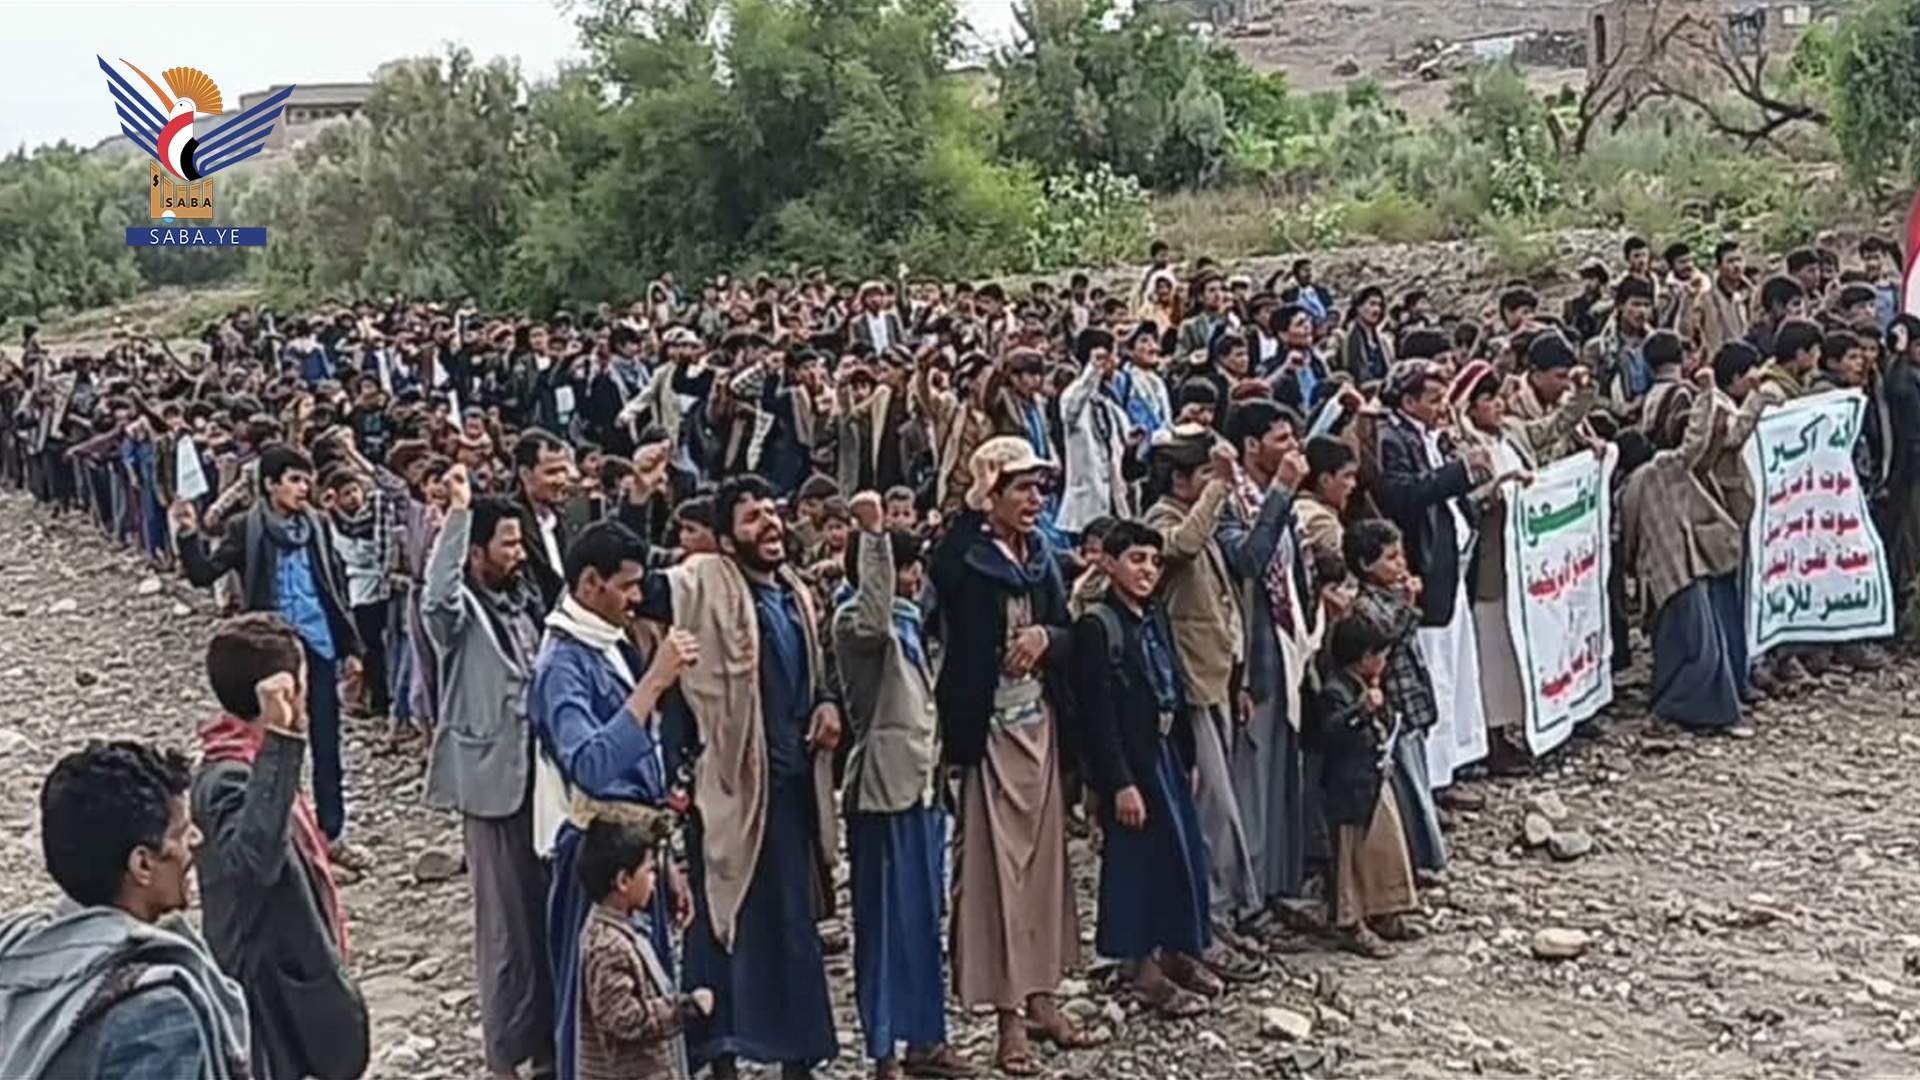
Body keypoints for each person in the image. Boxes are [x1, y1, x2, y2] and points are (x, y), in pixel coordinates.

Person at [628, 474, 842, 1080]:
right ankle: (719, 1052)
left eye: (772, 511)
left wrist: (826, 702)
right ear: (725, 540)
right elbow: (641, 588)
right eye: (752, 517)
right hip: (727, 787)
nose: (770, 523)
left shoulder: (794, 592)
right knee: (722, 919)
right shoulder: (704, 583)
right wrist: (638, 501)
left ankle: (796, 1057)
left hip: (789, 790)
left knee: (791, 922)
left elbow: (813, 673)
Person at [935, 437, 1097, 1077]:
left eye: (1039, 489)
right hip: (989, 737)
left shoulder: (1040, 559)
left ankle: (1043, 1000)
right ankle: (1007, 1020)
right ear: (992, 493)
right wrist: (967, 512)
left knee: (1047, 868)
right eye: (1021, 488)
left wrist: (1045, 638)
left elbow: (1068, 633)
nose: (1034, 501)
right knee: (996, 875)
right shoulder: (968, 559)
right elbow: (946, 585)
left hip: (1040, 730)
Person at [529, 512, 699, 1080]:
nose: (636, 598)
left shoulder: (605, 644)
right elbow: (593, 765)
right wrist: (656, 681)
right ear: (589, 583)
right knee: (601, 1019)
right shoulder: (562, 665)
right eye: (626, 586)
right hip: (597, 863)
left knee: (647, 998)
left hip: (631, 851)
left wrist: (660, 862)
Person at [832, 492, 977, 1080]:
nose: (912, 578)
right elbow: (873, 615)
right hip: (883, 791)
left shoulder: (913, 625)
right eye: (902, 566)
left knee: (922, 922)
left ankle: (925, 1039)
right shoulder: (856, 623)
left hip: (921, 791)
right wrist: (872, 536)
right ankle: (883, 1049)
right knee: (884, 925)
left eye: (914, 566)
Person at [0, 741, 250, 1080]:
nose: (197, 839)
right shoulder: (158, 1015)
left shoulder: (19, 953)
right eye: (181, 833)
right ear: (142, 864)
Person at [192, 614, 370, 1080]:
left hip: (285, 977)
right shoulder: (228, 777)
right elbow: (257, 861)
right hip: (262, 990)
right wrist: (282, 740)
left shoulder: (248, 761)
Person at [421, 465, 556, 1080]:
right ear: (475, 553)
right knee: (507, 934)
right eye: (506, 544)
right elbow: (437, 599)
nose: (518, 553)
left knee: (547, 919)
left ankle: (550, 1045)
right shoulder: (460, 618)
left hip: (543, 782)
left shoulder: (528, 600)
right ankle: (505, 1057)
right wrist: (457, 514)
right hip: (493, 786)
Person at [175, 443, 365, 844]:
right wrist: (188, 533)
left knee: (327, 742)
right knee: (273, 742)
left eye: (306, 480)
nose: (303, 488)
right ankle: (283, 827)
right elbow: (204, 573)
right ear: (270, 484)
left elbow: (333, 589)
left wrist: (350, 648)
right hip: (272, 653)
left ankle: (330, 832)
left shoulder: (317, 526)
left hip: (319, 645)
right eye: (294, 480)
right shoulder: (246, 529)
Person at [1072, 520, 1220, 1015]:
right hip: (1132, 764)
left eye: (1154, 562)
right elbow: (1098, 716)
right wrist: (1119, 784)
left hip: (1164, 751)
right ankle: (1141, 969)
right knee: (1136, 865)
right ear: (1109, 563)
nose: (1147, 570)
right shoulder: (1098, 627)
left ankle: (1177, 949)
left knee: (1179, 856)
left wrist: (1187, 756)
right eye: (1136, 560)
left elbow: (1173, 686)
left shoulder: (1154, 616)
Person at [1140, 429, 1264, 977]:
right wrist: (1218, 489)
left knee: (1222, 806)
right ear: (1179, 480)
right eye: (1203, 476)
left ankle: (1220, 916)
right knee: (1213, 810)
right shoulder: (1161, 520)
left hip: (1217, 676)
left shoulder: (1202, 518)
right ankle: (1204, 922)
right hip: (1189, 684)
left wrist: (1240, 678)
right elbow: (1180, 547)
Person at [1449, 351, 1595, 768]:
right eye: (1487, 400)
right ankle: (1492, 737)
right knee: (1491, 647)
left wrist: (1582, 393)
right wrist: (1498, 489)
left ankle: (1524, 725)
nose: (1497, 406)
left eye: (1499, 398)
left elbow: (1557, 425)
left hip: (1529, 563)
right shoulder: (1464, 448)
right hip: (1491, 561)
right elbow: (1466, 500)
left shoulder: (1513, 432)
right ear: (1470, 407)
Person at [1620, 372, 1768, 732]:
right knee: (1702, 651)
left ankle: (1673, 706)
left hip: (1657, 579)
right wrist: (1705, 392)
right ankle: (1690, 710)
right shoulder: (1659, 471)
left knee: (1676, 646)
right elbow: (1695, 443)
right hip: (1682, 570)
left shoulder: (1627, 490)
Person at [1216, 399, 1318, 925]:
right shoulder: (1231, 502)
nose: (1292, 449)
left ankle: (1278, 882)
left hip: (1285, 643)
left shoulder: (1280, 498)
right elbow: (1250, 560)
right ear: (1251, 446)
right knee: (1251, 776)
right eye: (1281, 439)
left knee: (1281, 766)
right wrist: (1280, 490)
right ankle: (1246, 896)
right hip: (1250, 654)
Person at [1374, 361, 1489, 792]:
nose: (1442, 406)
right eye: (1433, 399)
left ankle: (1457, 761)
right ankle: (1433, 778)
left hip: (1450, 565)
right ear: (1407, 401)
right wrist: (1459, 472)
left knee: (1457, 665)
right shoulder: (1392, 439)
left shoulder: (1429, 434)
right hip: (1425, 568)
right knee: (1434, 672)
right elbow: (1403, 494)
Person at [1306, 615, 1420, 957]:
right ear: (1365, 657)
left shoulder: (1365, 685)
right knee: (1350, 857)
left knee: (1386, 847)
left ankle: (1384, 908)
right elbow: (1331, 731)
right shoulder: (1336, 691)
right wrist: (1361, 711)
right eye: (1381, 656)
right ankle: (1350, 922)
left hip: (1372, 778)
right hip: (1348, 786)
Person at [574, 814, 716, 1080]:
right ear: (623, 881)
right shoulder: (608, 947)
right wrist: (684, 1009)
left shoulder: (622, 929)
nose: (654, 881)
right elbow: (624, 1019)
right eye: (649, 871)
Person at [1344, 519, 1445, 878]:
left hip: (1411, 698)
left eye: (1400, 555)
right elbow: (1385, 641)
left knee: (1417, 779)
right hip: (1392, 705)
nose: (1400, 564)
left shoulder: (1390, 596)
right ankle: (1416, 859)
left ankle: (1425, 855)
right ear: (1365, 564)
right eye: (1390, 558)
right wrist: (1408, 605)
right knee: (1405, 787)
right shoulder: (1365, 606)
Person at [515, 428, 577, 610]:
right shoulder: (512, 525)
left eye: (563, 471)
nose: (561, 480)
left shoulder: (566, 522)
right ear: (525, 474)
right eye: (551, 472)